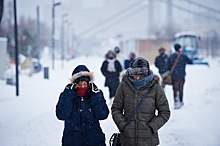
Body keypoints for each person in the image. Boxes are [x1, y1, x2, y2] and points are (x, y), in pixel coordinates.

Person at [111, 57, 170, 146]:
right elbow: (116, 109)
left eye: (141, 74)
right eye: (135, 74)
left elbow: (165, 112)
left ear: (146, 73)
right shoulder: (124, 85)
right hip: (127, 140)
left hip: (148, 140)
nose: (137, 78)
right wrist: (123, 125)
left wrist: (152, 127)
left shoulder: (155, 87)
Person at [56, 65, 109, 146]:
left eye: (85, 84)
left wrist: (96, 96)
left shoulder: (95, 94)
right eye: (80, 84)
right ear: (74, 84)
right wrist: (67, 95)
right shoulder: (67, 95)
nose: (83, 87)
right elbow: (61, 115)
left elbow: (103, 115)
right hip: (72, 141)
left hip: (94, 140)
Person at [167, 44, 193, 109]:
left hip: (174, 76)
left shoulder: (171, 56)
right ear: (180, 48)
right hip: (181, 75)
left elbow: (167, 66)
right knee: (181, 89)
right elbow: (190, 61)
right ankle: (181, 101)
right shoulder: (183, 56)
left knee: (175, 89)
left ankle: (176, 102)